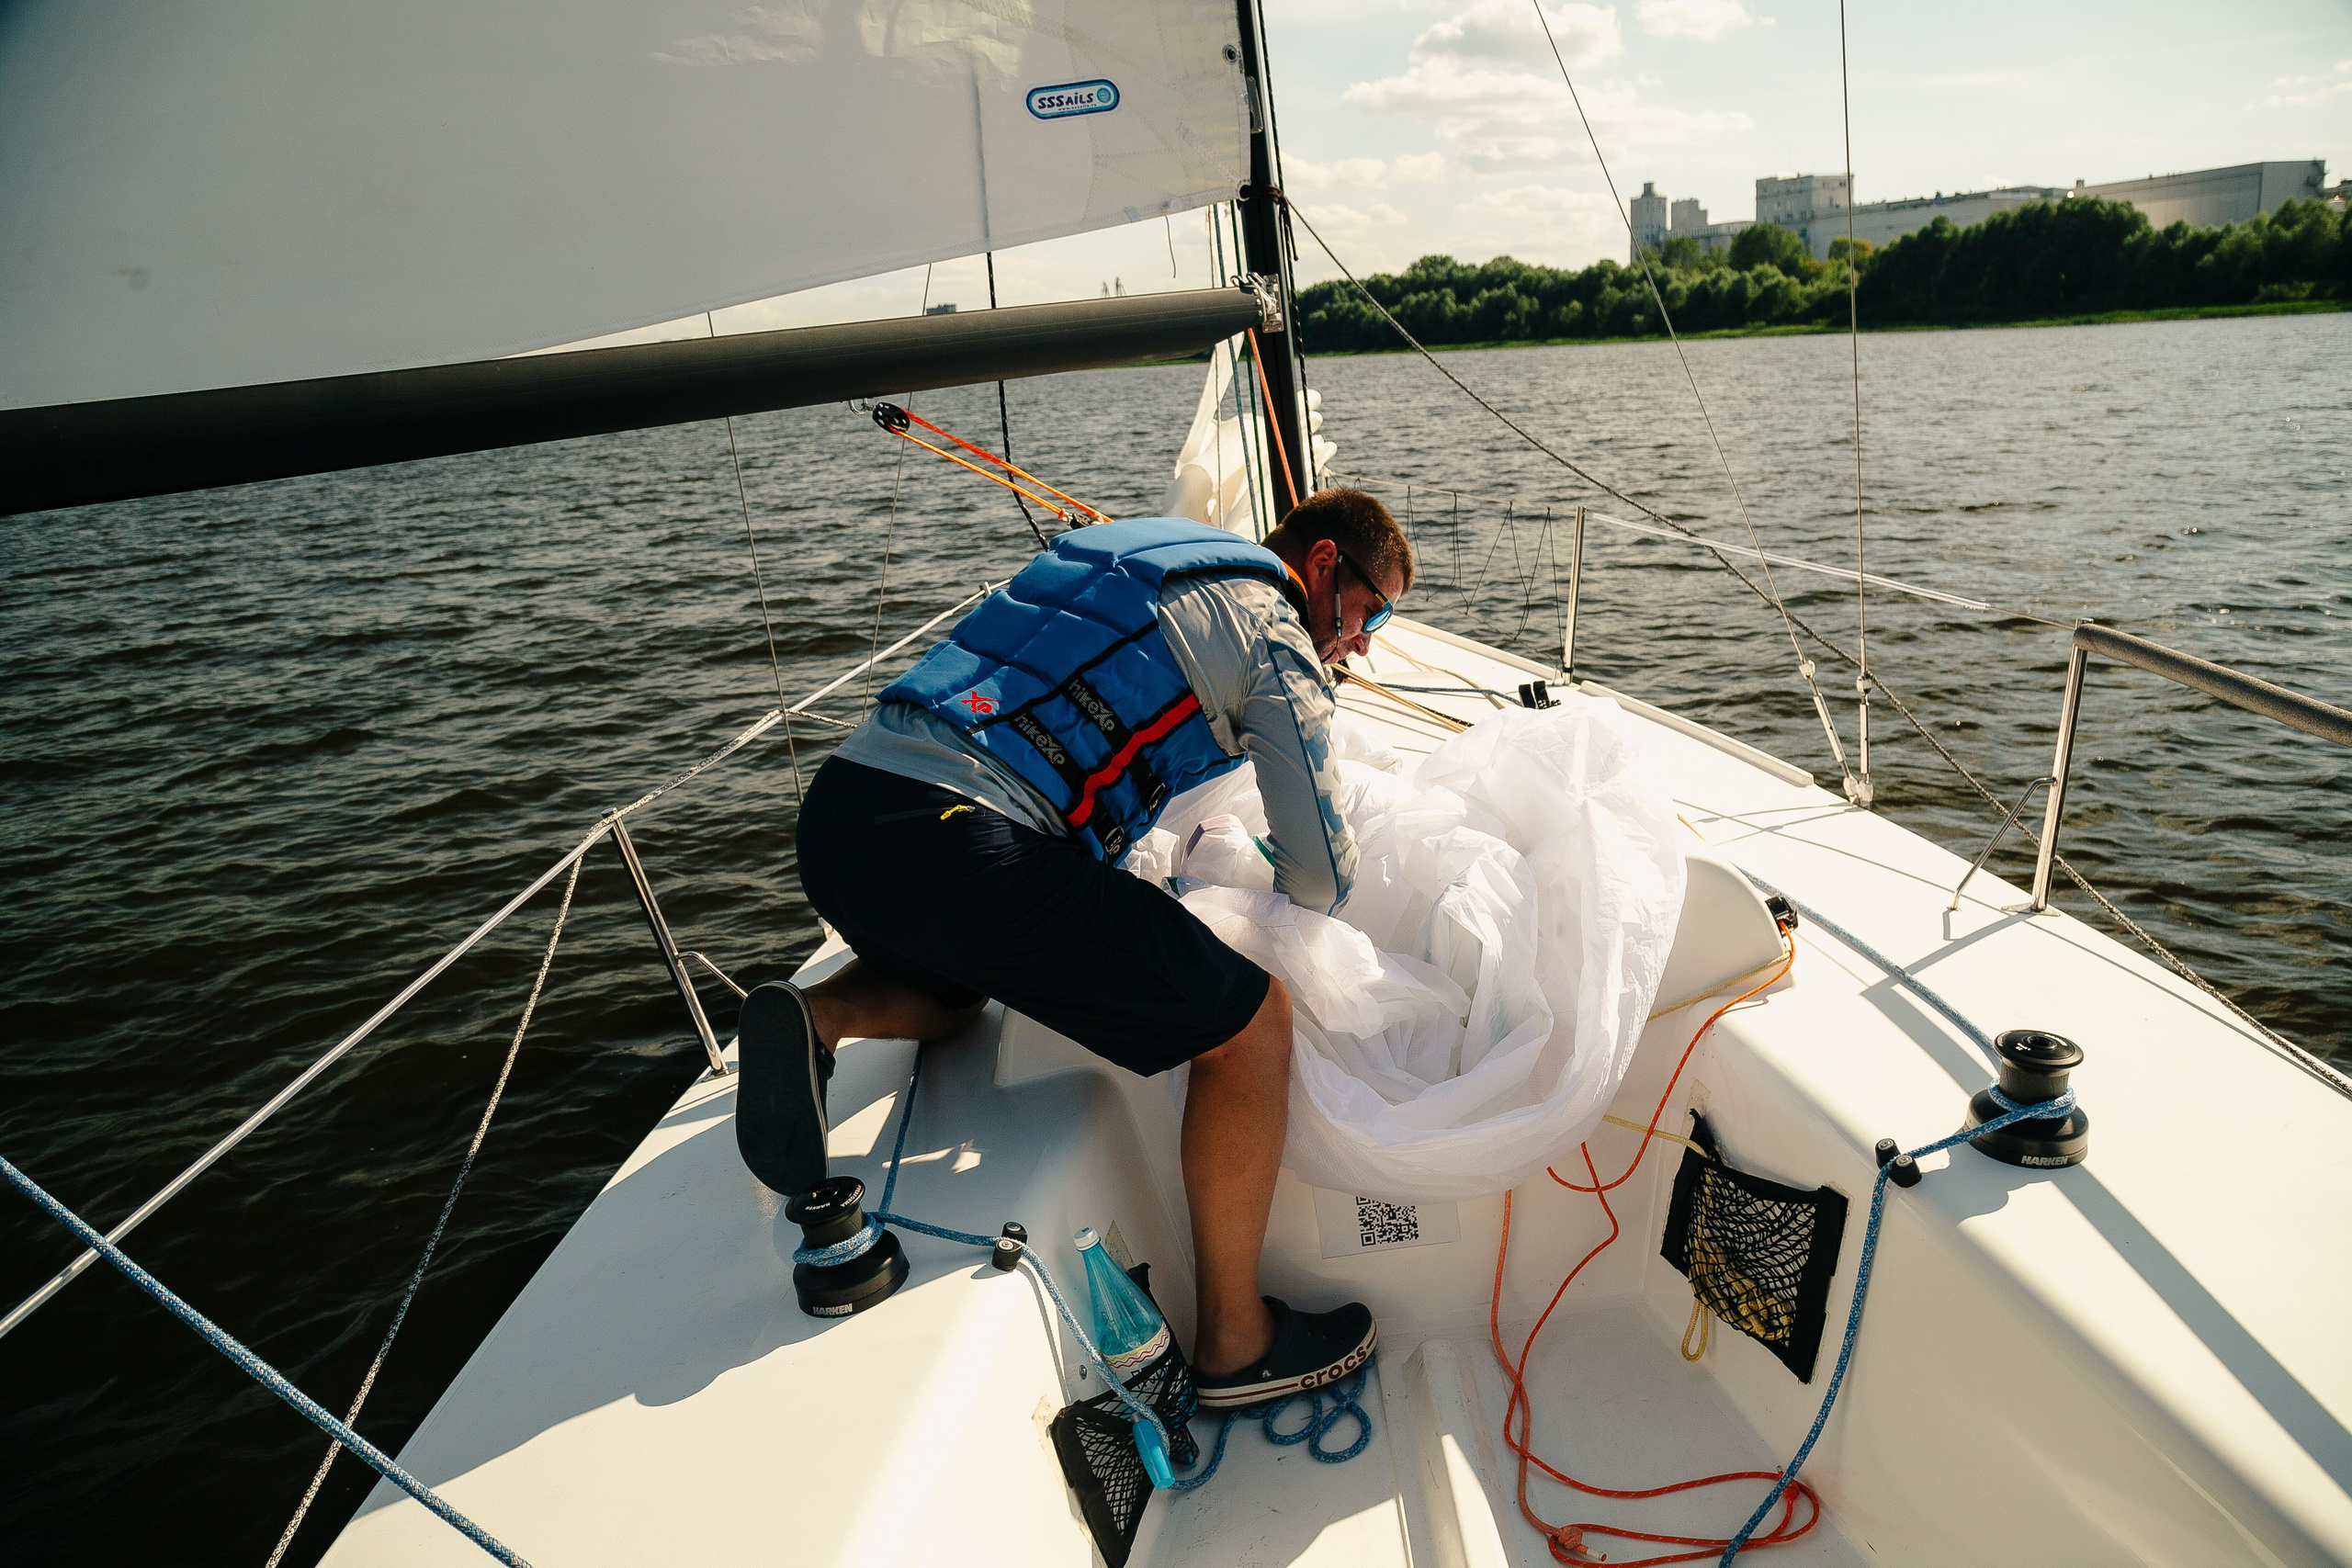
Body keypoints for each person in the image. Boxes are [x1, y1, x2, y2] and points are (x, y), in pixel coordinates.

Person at [738, 488, 1412, 1409]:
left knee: (964, 990)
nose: (1365, 639)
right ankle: (1235, 1341)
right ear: (1325, 564)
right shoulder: (1272, 631)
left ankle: (822, 1012)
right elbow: (1320, 877)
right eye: (1372, 609)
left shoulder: (1135, 543)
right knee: (1252, 1023)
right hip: (965, 843)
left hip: (845, 817)